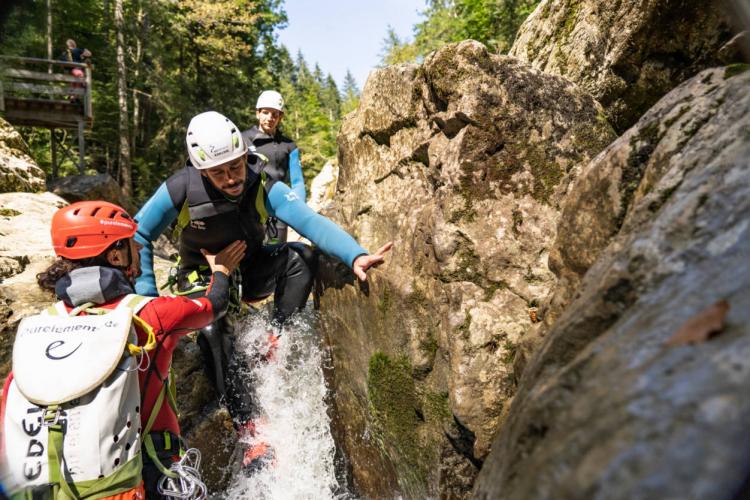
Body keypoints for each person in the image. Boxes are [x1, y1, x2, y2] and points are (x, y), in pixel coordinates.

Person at [134, 110, 392, 469]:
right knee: (210, 328)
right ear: (201, 170)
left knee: (301, 255)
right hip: (201, 275)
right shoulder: (180, 188)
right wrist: (145, 301)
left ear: (244, 156)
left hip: (251, 271)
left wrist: (355, 255)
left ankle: (276, 334)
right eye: (219, 172)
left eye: (236, 167)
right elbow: (138, 234)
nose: (231, 178)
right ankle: (249, 425)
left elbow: (309, 220)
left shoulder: (262, 182)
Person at [32, 201, 245, 498]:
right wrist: (220, 270)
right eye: (133, 243)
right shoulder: (151, 315)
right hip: (151, 475)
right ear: (115, 255)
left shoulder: (40, 326)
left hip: (62, 481)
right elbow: (214, 305)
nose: (141, 250)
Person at [242, 90, 304, 243]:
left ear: (280, 117)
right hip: (249, 210)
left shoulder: (289, 145)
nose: (269, 118)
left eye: (275, 114)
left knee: (277, 259)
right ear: (257, 113)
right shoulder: (243, 139)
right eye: (265, 112)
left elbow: (297, 182)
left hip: (279, 211)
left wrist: (299, 208)